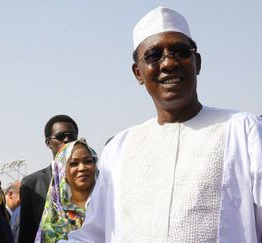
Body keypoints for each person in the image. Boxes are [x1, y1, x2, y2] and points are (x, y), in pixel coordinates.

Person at [62, 6, 262, 242]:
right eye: (154, 55)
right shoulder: (119, 149)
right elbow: (95, 233)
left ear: (196, 62)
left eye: (180, 51)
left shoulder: (242, 130)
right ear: (138, 73)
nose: (169, 63)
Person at [19, 115, 79, 243]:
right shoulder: (32, 184)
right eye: (60, 136)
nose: (67, 140)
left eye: (72, 137)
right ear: (48, 143)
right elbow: (26, 233)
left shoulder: (91, 180)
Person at [36, 138, 97, 243]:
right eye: (74, 163)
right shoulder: (53, 219)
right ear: (61, 171)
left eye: (87, 161)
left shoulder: (108, 207)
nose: (82, 168)